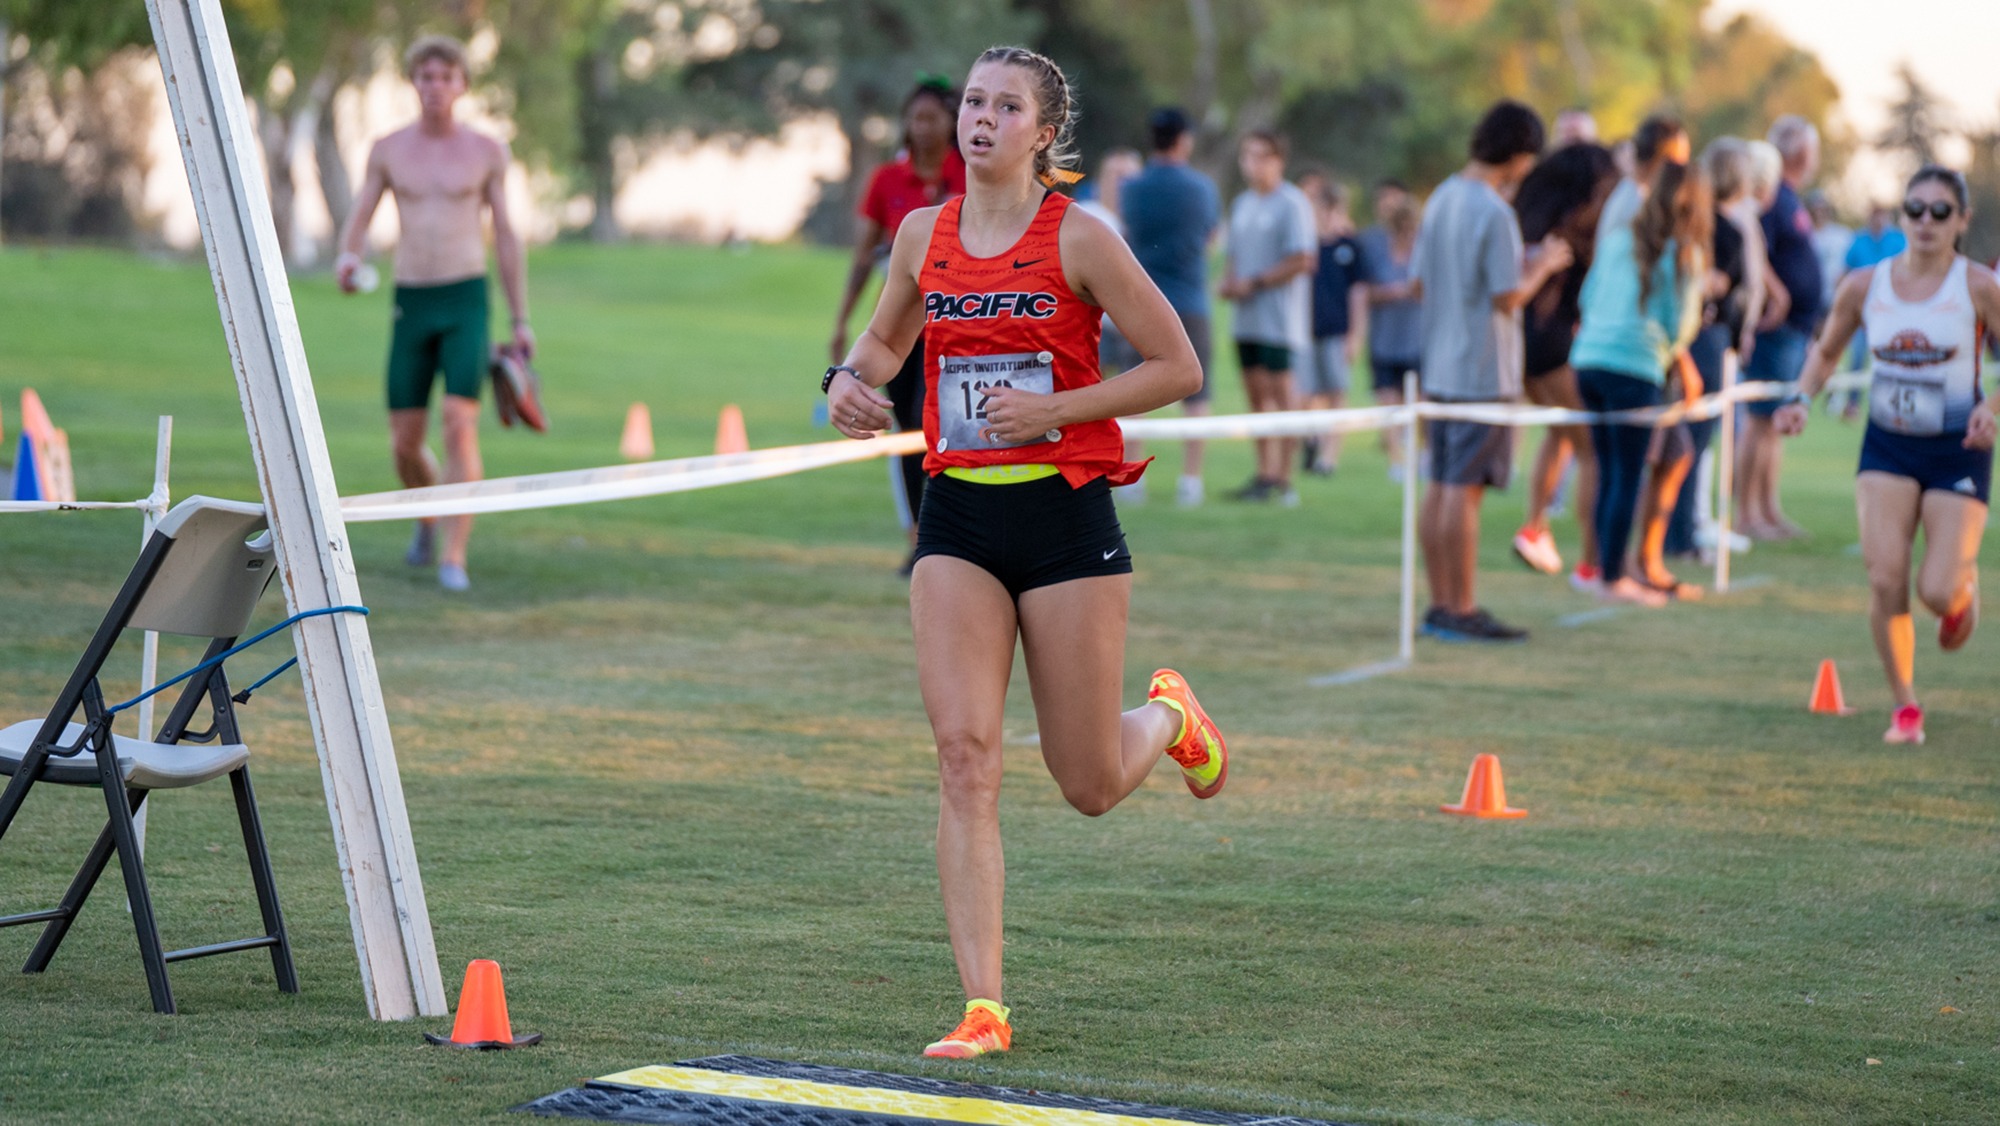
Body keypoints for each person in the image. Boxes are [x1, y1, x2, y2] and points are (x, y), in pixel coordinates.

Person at [820, 45, 1224, 1059]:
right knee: (964, 757)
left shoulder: (1080, 237)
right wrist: (847, 382)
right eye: (973, 101)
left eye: (1006, 107)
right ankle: (983, 1006)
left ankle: (1169, 715)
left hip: (1064, 518)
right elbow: (883, 346)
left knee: (1087, 782)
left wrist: (1053, 410)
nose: (980, 119)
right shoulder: (921, 233)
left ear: (1043, 133)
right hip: (955, 519)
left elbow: (1178, 365)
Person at [1775, 166, 1999, 745]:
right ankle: (1905, 706)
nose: (1926, 221)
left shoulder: (1977, 285)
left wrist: (1992, 408)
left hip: (1957, 448)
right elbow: (1826, 351)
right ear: (1902, 215)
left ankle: (1962, 589)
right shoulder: (1863, 285)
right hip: (1888, 446)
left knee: (1937, 591)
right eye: (1915, 209)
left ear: (1961, 220)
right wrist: (1800, 398)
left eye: (1940, 211)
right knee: (1885, 577)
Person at [336, 35, 532, 592]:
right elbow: (360, 216)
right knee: (404, 442)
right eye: (426, 76)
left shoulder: (487, 151)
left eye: (446, 76)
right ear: (413, 82)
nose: (436, 86)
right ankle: (426, 516)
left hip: (466, 298)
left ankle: (454, 556)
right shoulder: (388, 149)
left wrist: (520, 320)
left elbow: (508, 236)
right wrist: (348, 258)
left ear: (463, 84)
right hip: (412, 300)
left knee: (459, 425)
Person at [1413, 101, 1573, 642]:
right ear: (1519, 154)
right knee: (1465, 490)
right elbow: (1509, 296)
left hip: (1439, 364)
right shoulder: (1495, 211)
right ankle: (1461, 607)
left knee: (1440, 484)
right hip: (1482, 370)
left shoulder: (1441, 197)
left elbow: (1420, 281)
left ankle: (1441, 604)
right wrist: (1543, 264)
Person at [829, 76, 967, 572]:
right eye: (915, 118)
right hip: (902, 325)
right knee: (908, 427)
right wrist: (843, 322)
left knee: (942, 423)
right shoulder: (887, 180)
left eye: (932, 117)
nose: (922, 126)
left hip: (954, 325)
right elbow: (864, 258)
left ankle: (952, 534)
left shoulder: (971, 173)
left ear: (951, 122)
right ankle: (919, 536)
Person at [1570, 159, 1711, 607]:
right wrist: (1673, 355)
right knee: (1626, 475)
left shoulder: (1617, 239)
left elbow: (1587, 297)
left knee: (1609, 470)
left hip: (1588, 362)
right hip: (1633, 367)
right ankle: (1613, 577)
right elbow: (1680, 325)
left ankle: (1602, 569)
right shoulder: (1683, 252)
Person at [1509, 142, 1618, 579]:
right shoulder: (1571, 234)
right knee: (1592, 450)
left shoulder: (1533, 223)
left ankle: (1535, 529)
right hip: (1553, 346)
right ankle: (1593, 562)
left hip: (1524, 347)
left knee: (1559, 434)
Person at [1664, 137, 1767, 562]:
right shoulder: (1719, 229)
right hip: (1706, 340)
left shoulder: (1703, 222)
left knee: (1686, 442)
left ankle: (1680, 531)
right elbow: (1717, 283)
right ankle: (1681, 537)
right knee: (1691, 442)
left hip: (1704, 338)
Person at [1119, 108, 1223, 507]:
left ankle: (1133, 479)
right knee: (1198, 396)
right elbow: (1211, 239)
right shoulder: (1201, 188)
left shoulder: (1132, 188)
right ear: (1184, 140)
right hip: (1190, 301)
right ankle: (1190, 481)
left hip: (1140, 303)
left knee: (1133, 391)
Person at [1736, 116, 1823, 541]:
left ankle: (1769, 510)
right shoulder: (1771, 198)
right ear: (1801, 152)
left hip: (1795, 329)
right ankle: (1747, 514)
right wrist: (1777, 294)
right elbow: (1755, 248)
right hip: (1777, 327)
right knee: (1760, 422)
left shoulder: (1788, 197)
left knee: (1776, 423)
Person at [1221, 131, 1316, 505]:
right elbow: (1233, 257)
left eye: (1262, 156)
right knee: (1256, 399)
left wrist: (1256, 282)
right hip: (1246, 321)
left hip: (1279, 322)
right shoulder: (1242, 204)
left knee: (1283, 400)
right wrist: (1229, 283)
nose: (1253, 164)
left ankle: (1286, 478)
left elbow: (1303, 259)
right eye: (1248, 155)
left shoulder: (1292, 203)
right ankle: (1264, 474)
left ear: (1279, 161)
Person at [1294, 170, 1367, 476]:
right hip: (1305, 332)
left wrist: (1355, 335)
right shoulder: (1305, 248)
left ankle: (1329, 457)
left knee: (1336, 392)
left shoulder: (1349, 247)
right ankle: (1311, 441)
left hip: (1336, 331)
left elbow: (1358, 294)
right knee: (1305, 394)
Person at [1357, 180, 1423, 475]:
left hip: (1417, 338)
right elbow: (1363, 289)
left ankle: (1419, 455)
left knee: (1418, 401)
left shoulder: (1424, 250)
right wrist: (1389, 293)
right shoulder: (1374, 247)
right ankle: (1396, 460)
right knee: (1387, 400)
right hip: (1384, 337)